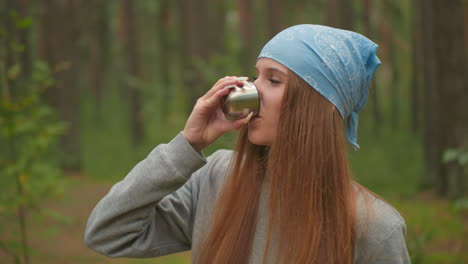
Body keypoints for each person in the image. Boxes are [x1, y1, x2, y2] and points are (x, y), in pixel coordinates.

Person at [85, 24, 411, 263]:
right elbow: (108, 232)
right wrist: (187, 145)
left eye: (273, 80)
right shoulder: (216, 180)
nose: (248, 91)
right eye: (255, 76)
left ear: (316, 105)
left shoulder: (373, 227)